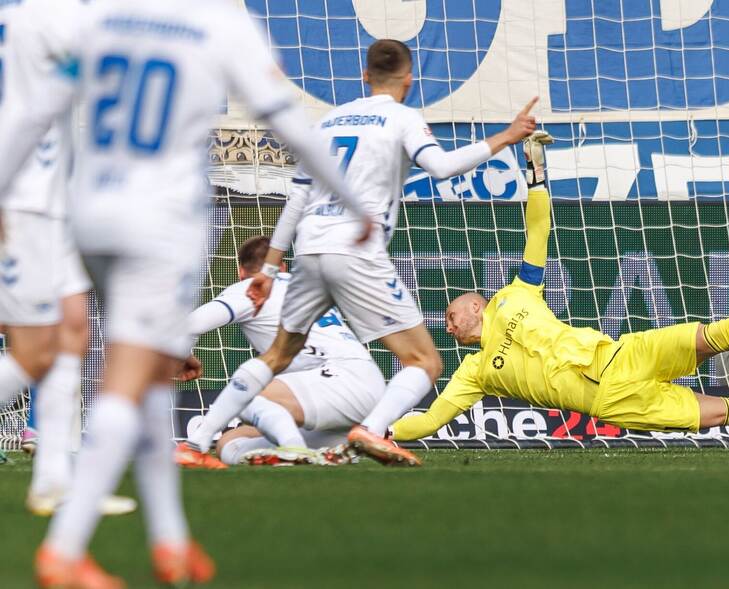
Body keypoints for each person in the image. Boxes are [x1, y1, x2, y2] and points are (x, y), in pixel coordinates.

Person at [0, 1, 372, 586]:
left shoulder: (104, 17)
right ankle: (65, 550)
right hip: (157, 223)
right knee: (127, 378)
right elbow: (287, 120)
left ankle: (171, 541)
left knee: (149, 376)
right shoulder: (219, 21)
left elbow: (34, 112)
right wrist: (351, 203)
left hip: (86, 213)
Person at [175, 38, 537, 469]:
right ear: (409, 79)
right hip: (356, 250)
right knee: (424, 361)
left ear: (365, 76)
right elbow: (441, 167)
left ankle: (194, 445)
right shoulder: (402, 118)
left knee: (275, 357)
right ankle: (372, 429)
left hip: (309, 248)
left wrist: (269, 269)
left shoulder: (328, 122)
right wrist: (508, 135)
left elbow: (297, 199)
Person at [390, 133, 729, 444]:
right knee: (723, 412)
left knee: (710, 336)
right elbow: (429, 421)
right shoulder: (473, 373)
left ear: (476, 304)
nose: (447, 327)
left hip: (620, 354)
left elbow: (538, 231)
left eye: (450, 315)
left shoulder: (516, 293)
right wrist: (382, 431)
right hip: (615, 400)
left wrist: (536, 173)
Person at [0, 0, 135, 518]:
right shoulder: (48, 17)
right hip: (22, 202)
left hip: (52, 202)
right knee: (34, 352)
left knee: (74, 328)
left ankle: (54, 481)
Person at [181, 236, 386, 467]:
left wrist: (183, 357)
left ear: (240, 272)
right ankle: (329, 451)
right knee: (229, 442)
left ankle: (293, 448)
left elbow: (190, 324)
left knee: (243, 393)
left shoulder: (250, 289)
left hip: (337, 380)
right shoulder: (305, 286)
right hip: (367, 388)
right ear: (283, 267)